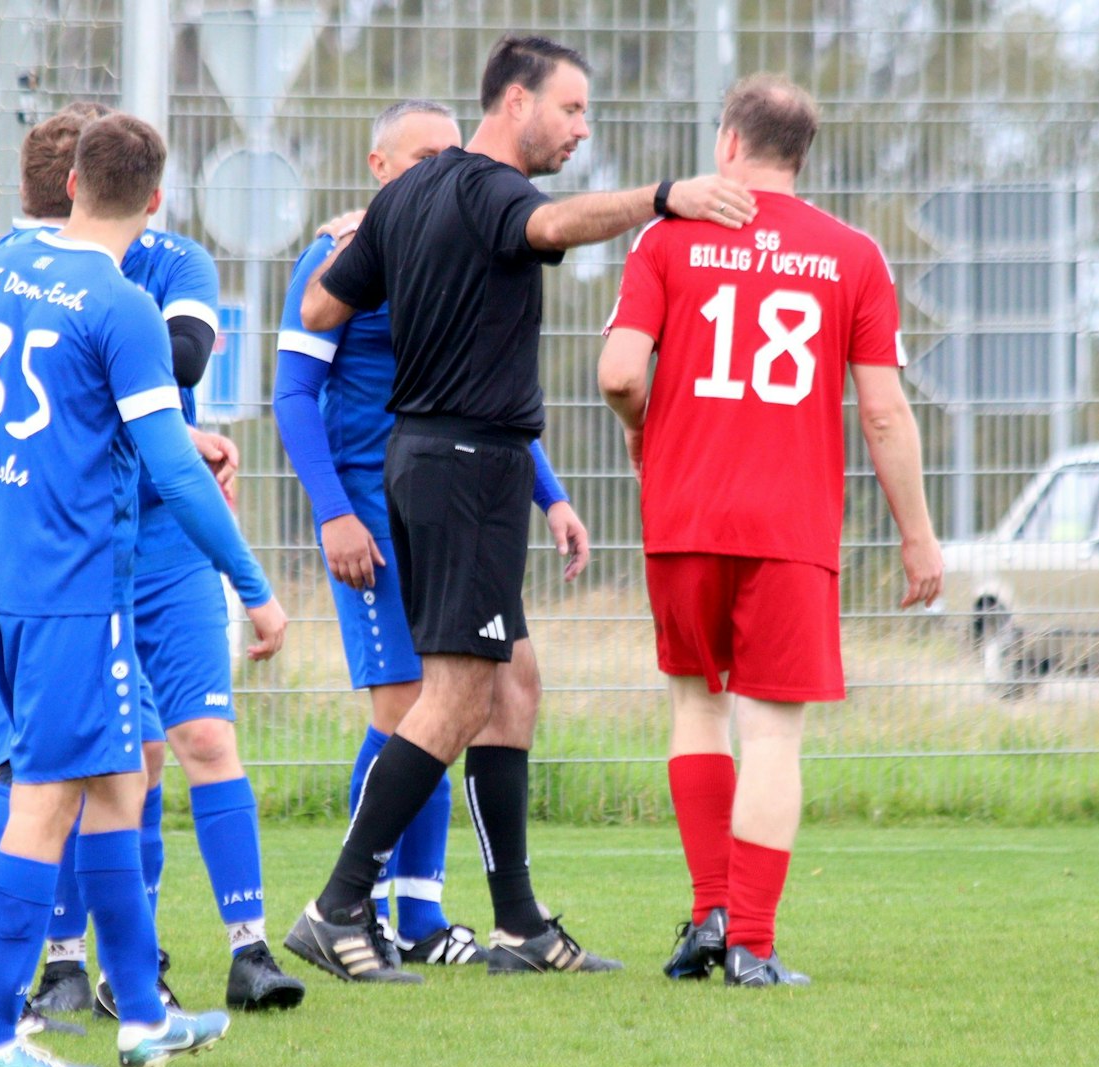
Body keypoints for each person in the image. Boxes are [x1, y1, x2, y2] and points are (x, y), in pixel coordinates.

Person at [283, 34, 757, 982]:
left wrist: (379, 236)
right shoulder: (495, 192)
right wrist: (666, 198)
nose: (582, 128)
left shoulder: (407, 197)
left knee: (515, 682)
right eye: (571, 109)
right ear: (514, 104)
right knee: (452, 695)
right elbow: (553, 227)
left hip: (441, 463)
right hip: (461, 465)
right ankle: (337, 908)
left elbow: (327, 310)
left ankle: (518, 926)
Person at [0, 112, 288, 1067]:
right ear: (156, 200)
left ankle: (141, 1016)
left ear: (73, 180)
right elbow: (176, 471)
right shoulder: (119, 303)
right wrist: (254, 589)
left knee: (121, 784)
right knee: (47, 801)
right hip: (77, 592)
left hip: (4, 582)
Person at [596, 74, 941, 987]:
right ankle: (751, 940)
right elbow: (884, 415)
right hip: (790, 524)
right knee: (774, 734)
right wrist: (918, 536)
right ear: (800, 155)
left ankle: (711, 911)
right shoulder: (854, 254)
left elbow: (620, 372)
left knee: (695, 704)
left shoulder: (667, 238)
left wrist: (645, 432)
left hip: (685, 511)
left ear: (728, 145)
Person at [274, 99, 581, 967]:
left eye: (452, 153)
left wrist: (550, 495)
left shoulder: (451, 238)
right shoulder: (337, 253)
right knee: (413, 706)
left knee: (506, 683)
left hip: (462, 493)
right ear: (378, 165)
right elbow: (295, 396)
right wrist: (334, 511)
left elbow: (478, 384)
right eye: (422, 156)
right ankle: (356, 910)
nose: (443, 169)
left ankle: (450, 917)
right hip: (377, 507)